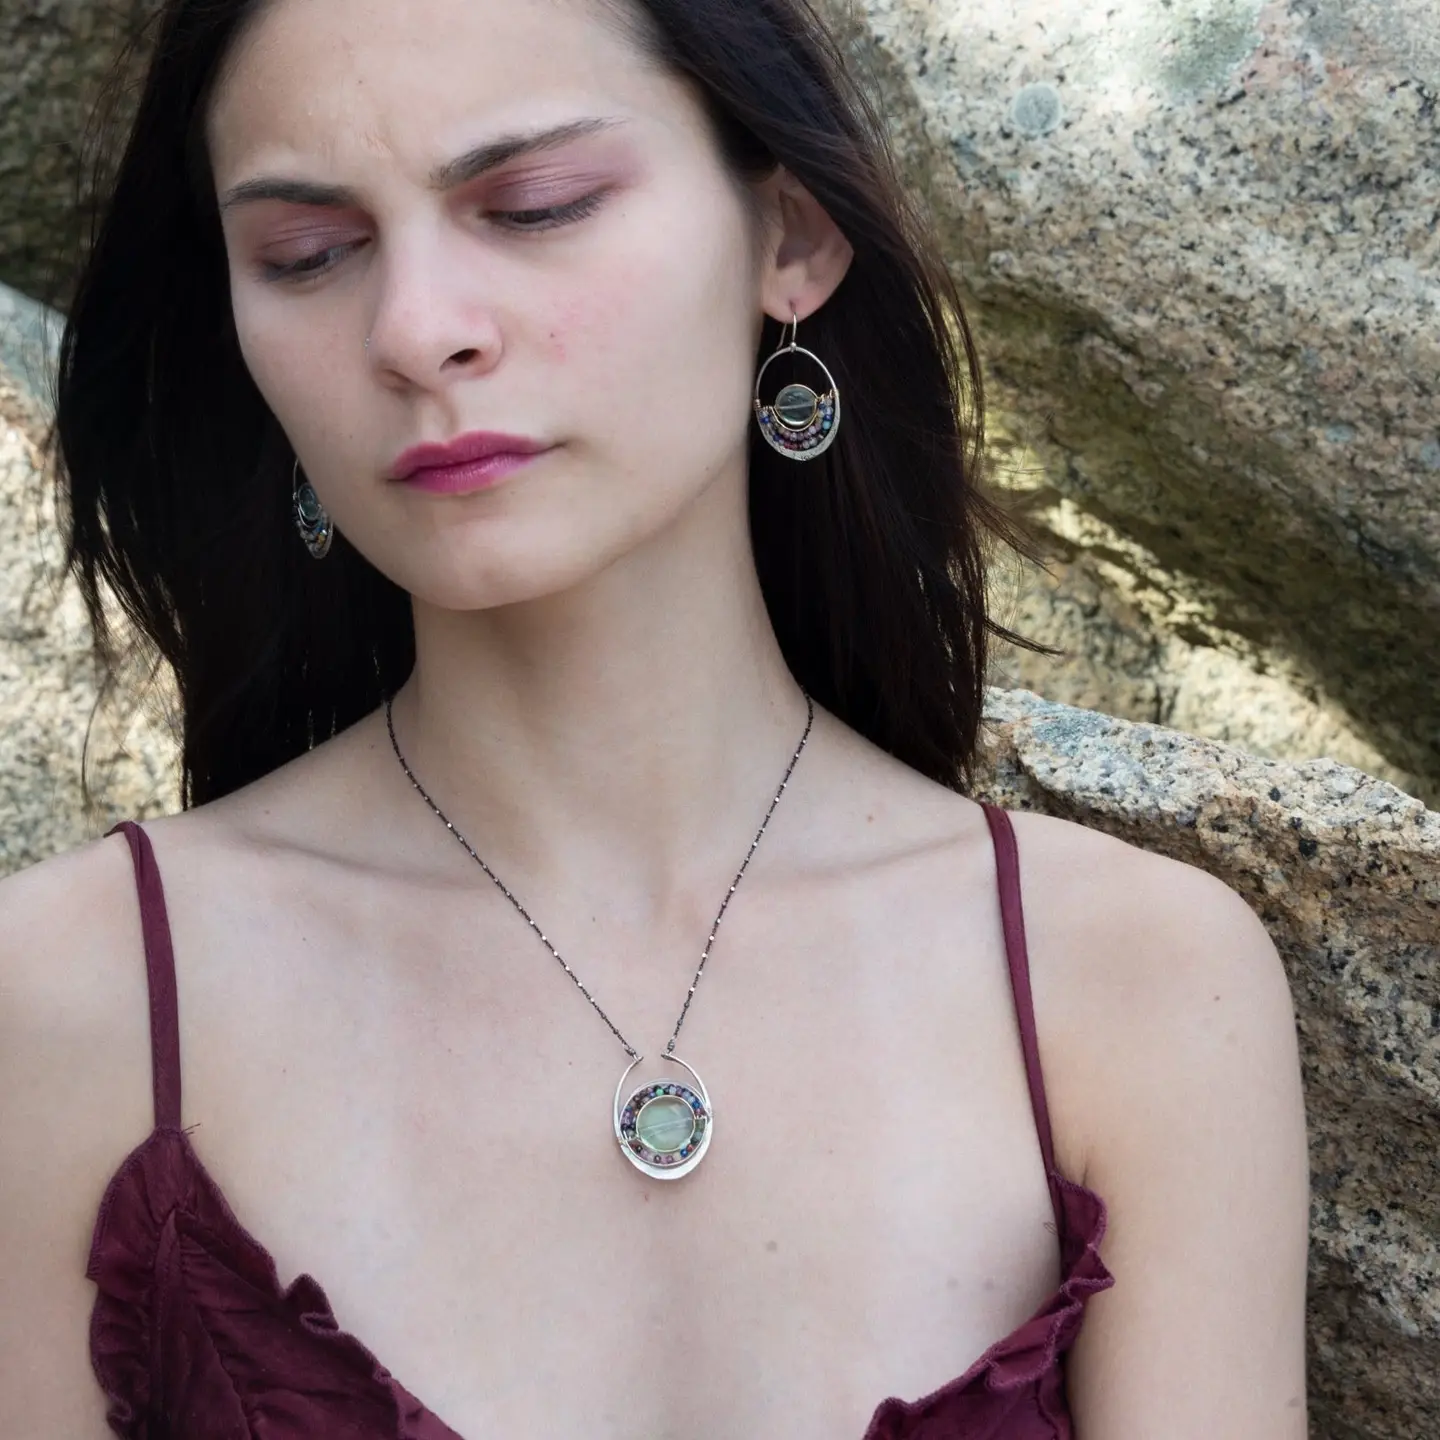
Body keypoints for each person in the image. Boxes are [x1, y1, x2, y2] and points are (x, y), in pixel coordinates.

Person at [0, 0, 1311, 1433]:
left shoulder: (1132, 986)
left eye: (537, 206)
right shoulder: (70, 1000)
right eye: (307, 253)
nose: (416, 331)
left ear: (790, 237)